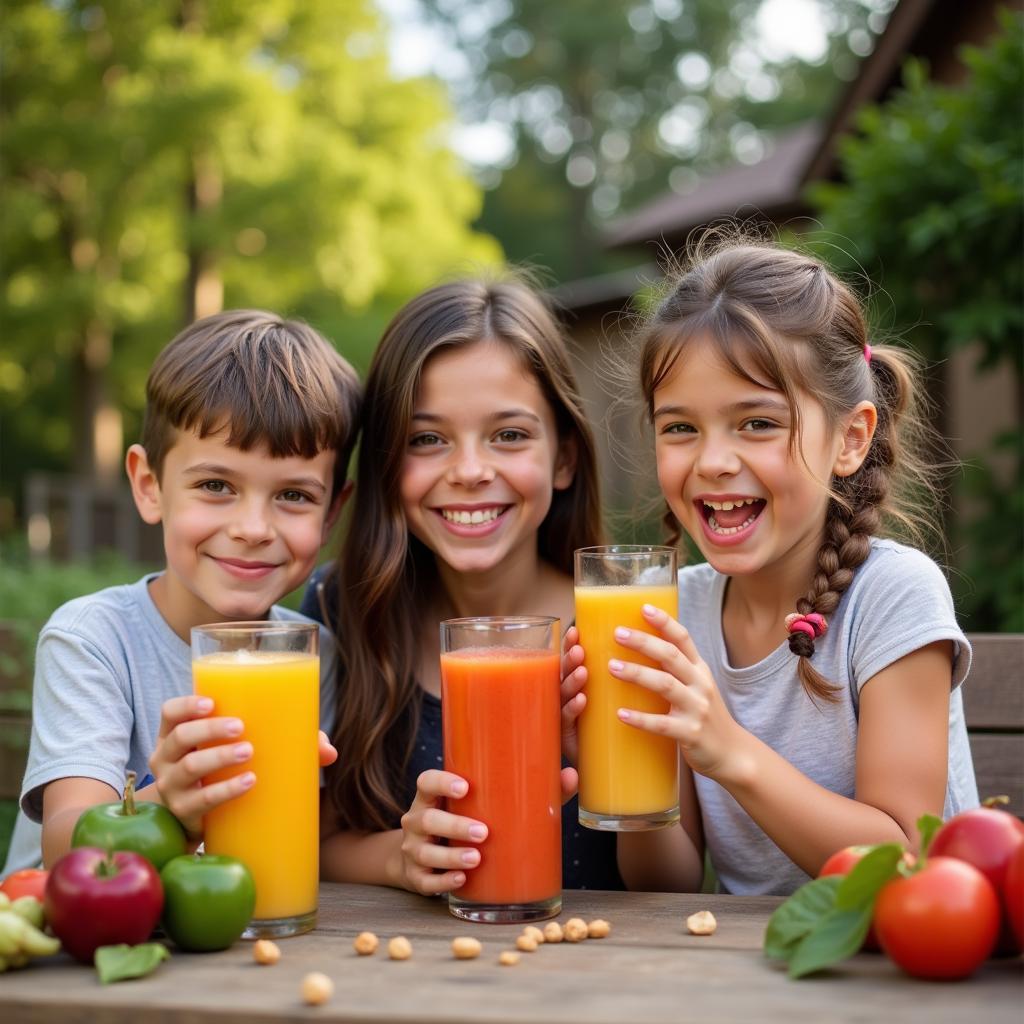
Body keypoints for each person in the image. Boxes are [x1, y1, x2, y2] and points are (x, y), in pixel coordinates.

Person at [562, 238, 978, 896]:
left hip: (904, 970)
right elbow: (664, 883)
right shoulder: (679, 610)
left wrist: (729, 752)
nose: (713, 461)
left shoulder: (892, 598)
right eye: (679, 428)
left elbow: (904, 862)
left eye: (756, 422)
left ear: (850, 438)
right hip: (756, 977)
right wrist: (618, 768)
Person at [3, 310, 361, 873]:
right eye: (216, 485)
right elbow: (63, 845)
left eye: (293, 495)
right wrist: (165, 803)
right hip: (73, 942)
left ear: (332, 512)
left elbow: (307, 837)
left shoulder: (314, 653)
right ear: (150, 487)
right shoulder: (94, 640)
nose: (252, 528)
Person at [303, 276, 625, 893]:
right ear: (386, 464)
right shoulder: (341, 608)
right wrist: (401, 856)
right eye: (427, 439)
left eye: (509, 435)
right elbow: (317, 841)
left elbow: (675, 874)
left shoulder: (614, 621)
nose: (471, 471)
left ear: (564, 458)